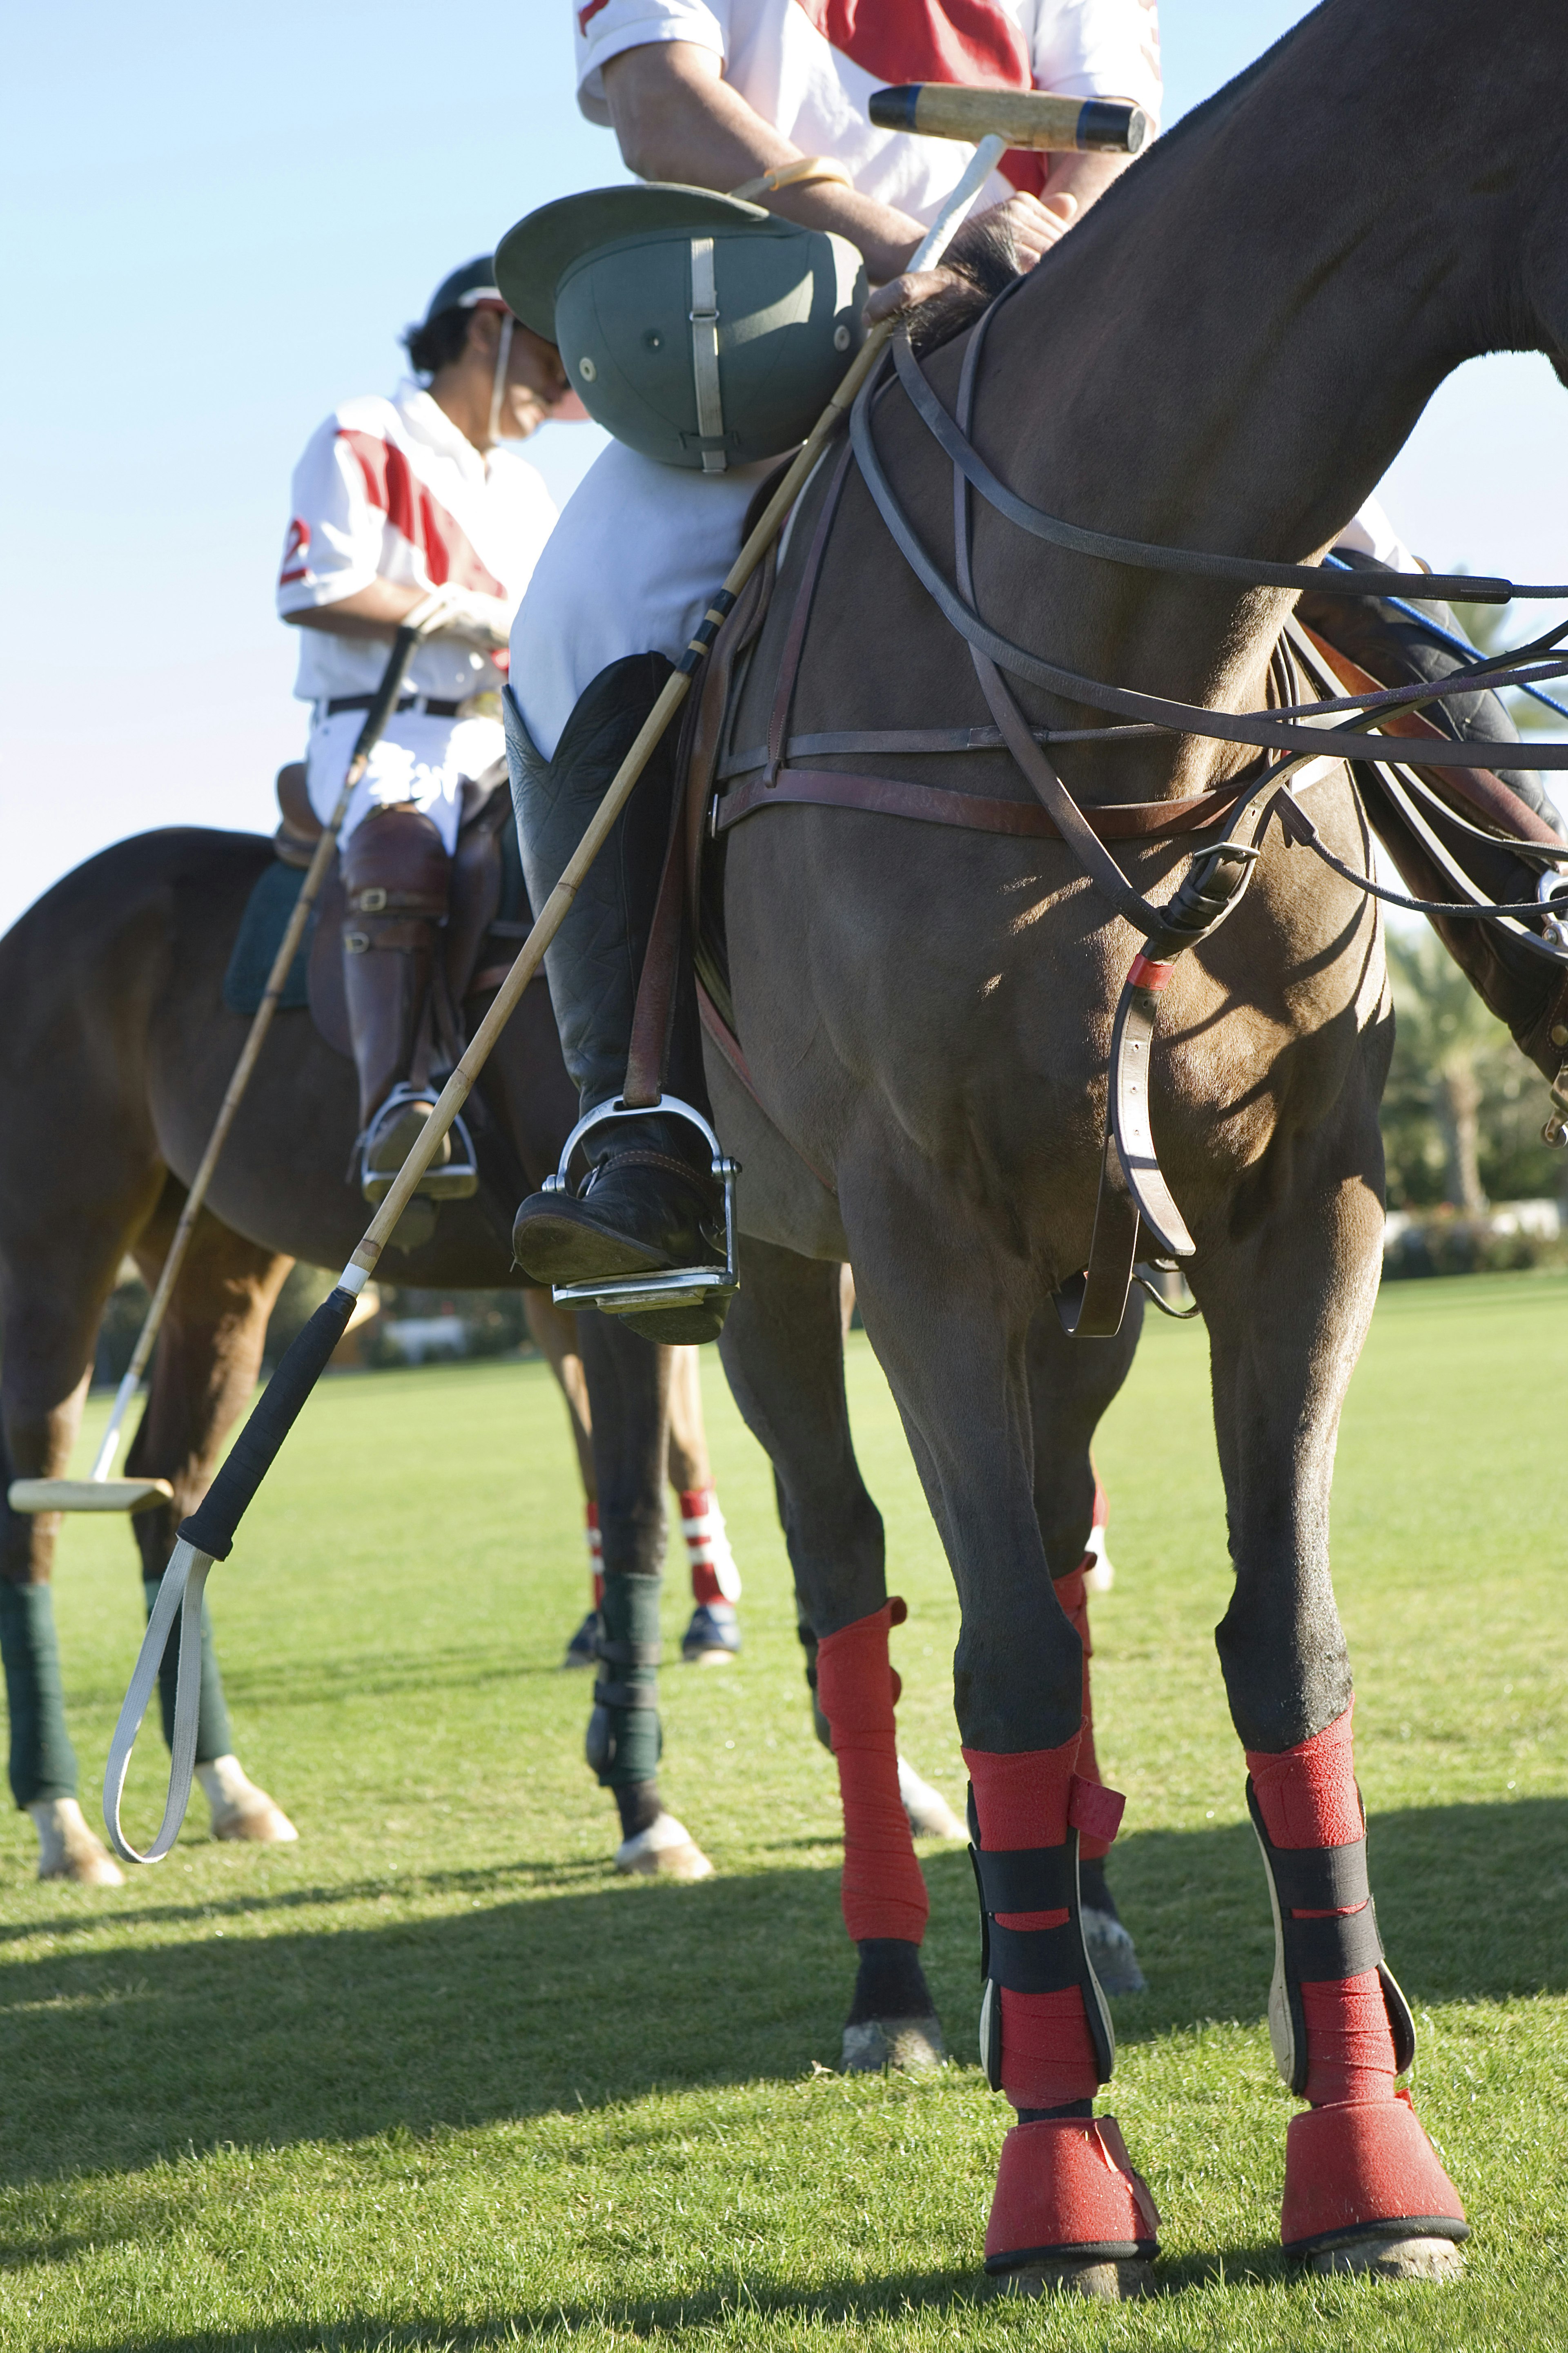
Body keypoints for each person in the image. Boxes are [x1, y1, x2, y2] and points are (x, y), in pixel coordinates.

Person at [505, 0, 1162, 1325]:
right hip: (777, 347)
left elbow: (1113, 125)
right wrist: (906, 239)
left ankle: (1531, 923)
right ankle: (646, 1129)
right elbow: (655, 97)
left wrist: (1037, 248)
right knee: (586, 614)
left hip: (1059, 332)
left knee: (1330, 523)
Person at [277, 260, 580, 1206]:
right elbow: (314, 590)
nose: (559, 390)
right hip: (384, 732)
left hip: (503, 735)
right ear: (485, 330)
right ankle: (395, 1108)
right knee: (404, 851)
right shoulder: (363, 434)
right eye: (545, 360)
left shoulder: (525, 488)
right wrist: (464, 615)